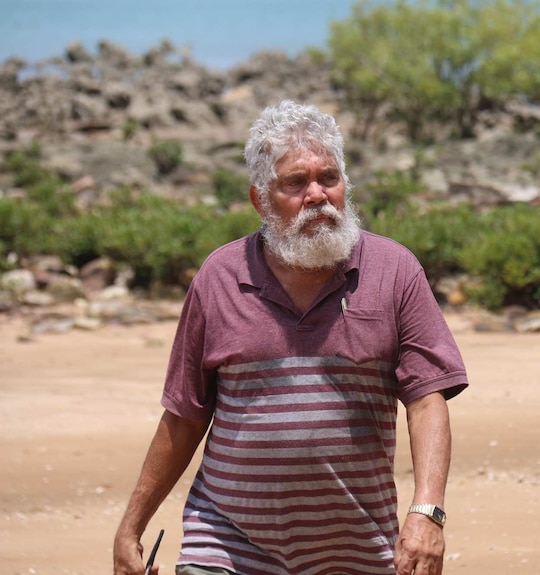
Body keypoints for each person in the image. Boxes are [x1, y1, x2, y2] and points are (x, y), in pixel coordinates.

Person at [113, 100, 468, 575]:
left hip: (357, 549)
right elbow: (184, 415)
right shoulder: (220, 276)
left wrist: (428, 513)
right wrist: (131, 528)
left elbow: (427, 399)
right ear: (260, 199)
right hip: (226, 542)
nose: (317, 194)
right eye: (295, 183)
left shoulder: (394, 271)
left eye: (329, 178)